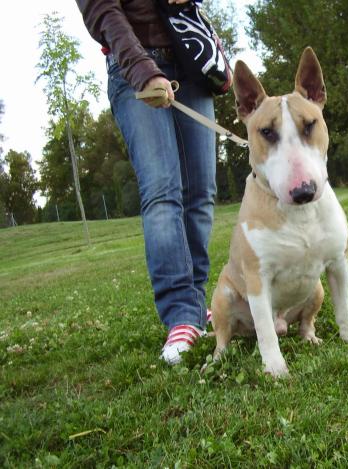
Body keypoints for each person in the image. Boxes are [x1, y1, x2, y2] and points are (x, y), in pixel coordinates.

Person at [76, 0, 217, 364]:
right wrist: (142, 68)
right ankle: (182, 315)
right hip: (132, 67)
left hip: (189, 62)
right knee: (162, 193)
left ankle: (197, 306)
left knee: (201, 193)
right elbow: (102, 11)